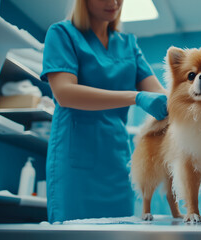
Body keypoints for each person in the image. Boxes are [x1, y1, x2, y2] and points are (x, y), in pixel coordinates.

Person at [40, 0, 167, 223]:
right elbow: (64, 93)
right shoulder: (62, 33)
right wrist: (135, 97)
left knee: (118, 231)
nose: (114, 2)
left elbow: (161, 96)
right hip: (75, 163)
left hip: (117, 162)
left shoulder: (128, 44)